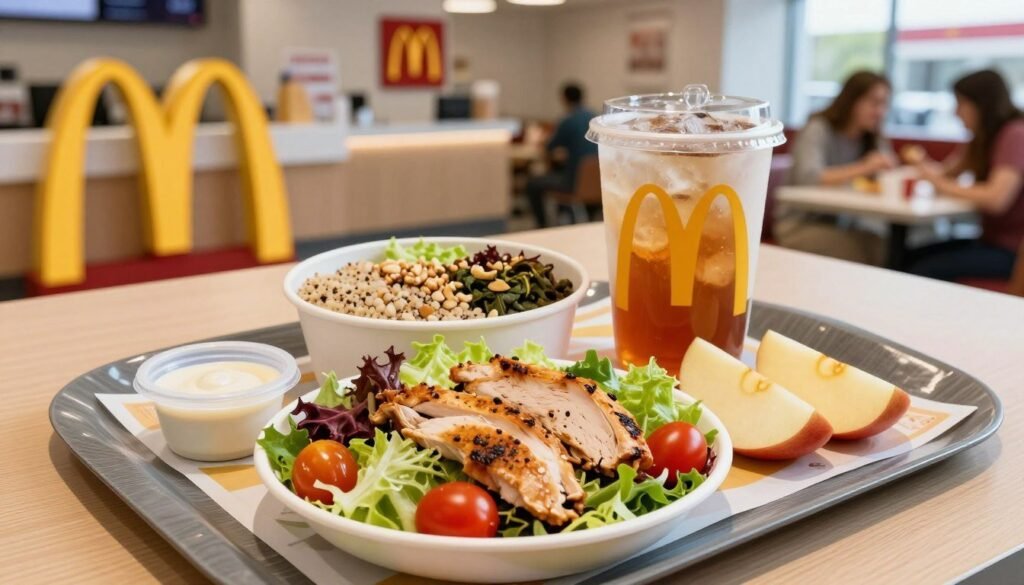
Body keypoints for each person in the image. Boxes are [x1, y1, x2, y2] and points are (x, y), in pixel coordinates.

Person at [906, 70, 1024, 281]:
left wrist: (938, 182)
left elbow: (996, 198)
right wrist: (923, 164)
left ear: (982, 105)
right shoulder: (984, 138)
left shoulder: (1015, 134)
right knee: (908, 257)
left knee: (924, 269)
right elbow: (945, 172)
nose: (955, 113)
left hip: (1012, 253)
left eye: (960, 104)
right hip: (988, 242)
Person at [775, 71, 897, 264]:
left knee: (883, 244)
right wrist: (864, 167)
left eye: (884, 105)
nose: (880, 112)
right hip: (801, 223)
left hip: (844, 223)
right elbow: (809, 178)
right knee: (867, 253)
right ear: (851, 101)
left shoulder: (871, 136)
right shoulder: (818, 128)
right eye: (874, 103)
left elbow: (887, 174)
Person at [526, 83, 598, 228]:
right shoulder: (595, 119)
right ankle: (568, 216)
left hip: (574, 182)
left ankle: (542, 226)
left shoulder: (569, 120)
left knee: (532, 184)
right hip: (597, 184)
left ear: (564, 99)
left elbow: (549, 147)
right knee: (559, 172)